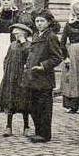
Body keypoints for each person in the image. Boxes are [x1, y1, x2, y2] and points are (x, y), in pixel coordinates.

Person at [23, 12, 64, 143]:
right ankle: (38, 131)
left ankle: (45, 134)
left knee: (44, 108)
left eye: (42, 21)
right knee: (33, 107)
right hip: (33, 78)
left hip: (44, 79)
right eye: (37, 21)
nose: (39, 24)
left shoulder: (51, 37)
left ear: (49, 22)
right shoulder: (36, 35)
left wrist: (43, 66)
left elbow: (57, 57)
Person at [0, 0, 27, 97]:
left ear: (12, 1)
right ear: (0, 1)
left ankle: (9, 96)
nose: (6, 2)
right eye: (3, 0)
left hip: (11, 40)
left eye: (8, 0)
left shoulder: (17, 14)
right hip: (0, 42)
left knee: (9, 66)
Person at [0, 22, 32, 137]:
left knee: (24, 102)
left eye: (18, 33)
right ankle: (8, 126)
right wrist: (6, 70)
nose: (15, 35)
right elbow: (7, 58)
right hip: (11, 77)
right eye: (15, 34)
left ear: (24, 33)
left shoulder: (28, 45)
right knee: (10, 101)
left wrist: (23, 43)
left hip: (22, 77)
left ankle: (26, 126)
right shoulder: (12, 45)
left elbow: (29, 58)